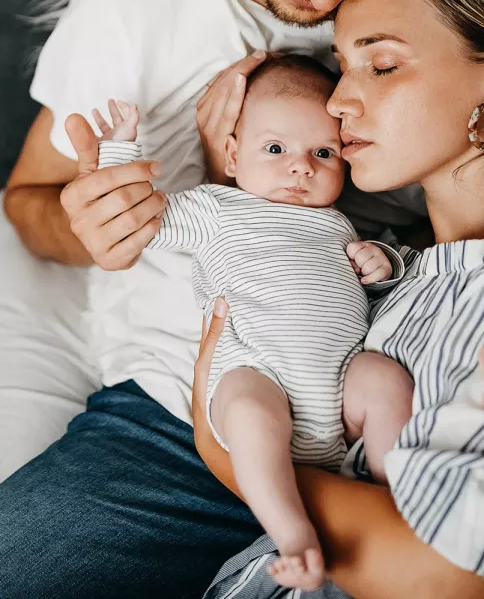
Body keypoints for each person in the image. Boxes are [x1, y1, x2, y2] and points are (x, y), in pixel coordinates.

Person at [0, 0, 484, 596]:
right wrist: (94, 223)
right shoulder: (133, 13)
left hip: (379, 379)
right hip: (190, 408)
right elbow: (29, 199)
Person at [194, 0, 484, 598]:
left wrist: (227, 455)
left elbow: (443, 575)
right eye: (342, 66)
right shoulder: (409, 270)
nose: (339, 101)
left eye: (381, 64)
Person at [94, 56, 411, 590]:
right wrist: (121, 148)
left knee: (385, 380)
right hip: (257, 370)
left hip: (336, 387)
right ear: (234, 156)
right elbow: (137, 214)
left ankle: (394, 500)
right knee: (245, 407)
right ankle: (292, 534)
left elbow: (373, 276)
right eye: (275, 149)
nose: (300, 167)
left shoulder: (337, 224)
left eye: (323, 152)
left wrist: (379, 260)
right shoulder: (218, 209)